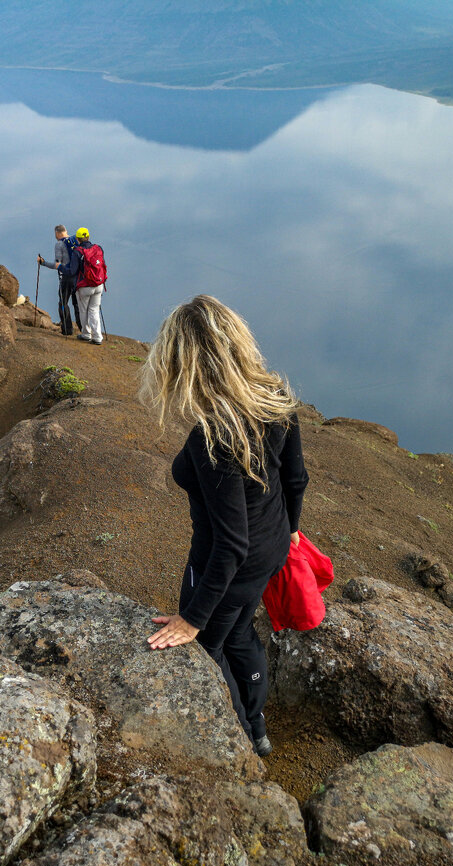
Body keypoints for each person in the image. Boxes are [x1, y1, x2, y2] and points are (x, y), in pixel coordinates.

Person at [141, 295, 309, 757]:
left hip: (228, 564)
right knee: (239, 631)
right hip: (272, 549)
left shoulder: (213, 436)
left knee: (207, 649)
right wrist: (290, 530)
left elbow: (231, 544)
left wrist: (192, 619)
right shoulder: (275, 396)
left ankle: (242, 738)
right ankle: (257, 723)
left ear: (183, 362)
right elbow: (296, 479)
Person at [57, 227, 106, 345]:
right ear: (88, 237)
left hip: (85, 287)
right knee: (94, 310)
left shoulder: (78, 251)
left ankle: (86, 334)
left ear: (78, 239)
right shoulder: (98, 248)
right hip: (99, 284)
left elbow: (72, 271)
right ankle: (98, 337)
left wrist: (60, 267)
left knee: (83, 311)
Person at [37, 225, 79, 335]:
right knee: (77, 304)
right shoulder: (76, 240)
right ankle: (84, 329)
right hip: (78, 278)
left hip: (66, 278)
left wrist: (43, 262)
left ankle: (67, 329)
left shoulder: (59, 244)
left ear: (57, 233)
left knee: (63, 303)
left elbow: (57, 264)